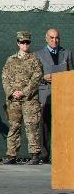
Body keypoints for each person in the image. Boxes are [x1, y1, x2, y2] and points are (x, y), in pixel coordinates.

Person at [2, 31, 44, 165]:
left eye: (27, 42)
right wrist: (12, 92)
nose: (25, 45)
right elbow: (5, 78)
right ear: (18, 43)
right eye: (22, 42)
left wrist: (24, 92)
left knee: (31, 127)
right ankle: (11, 155)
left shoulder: (34, 60)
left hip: (29, 100)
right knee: (14, 126)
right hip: (14, 100)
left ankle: (35, 155)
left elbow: (37, 78)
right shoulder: (10, 60)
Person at [34, 28, 70, 162]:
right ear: (46, 38)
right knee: (44, 125)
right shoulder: (37, 55)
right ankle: (44, 154)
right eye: (52, 37)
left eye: (57, 38)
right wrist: (43, 77)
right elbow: (33, 76)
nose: (54, 40)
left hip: (63, 95)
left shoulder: (67, 54)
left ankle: (61, 155)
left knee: (62, 126)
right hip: (45, 94)